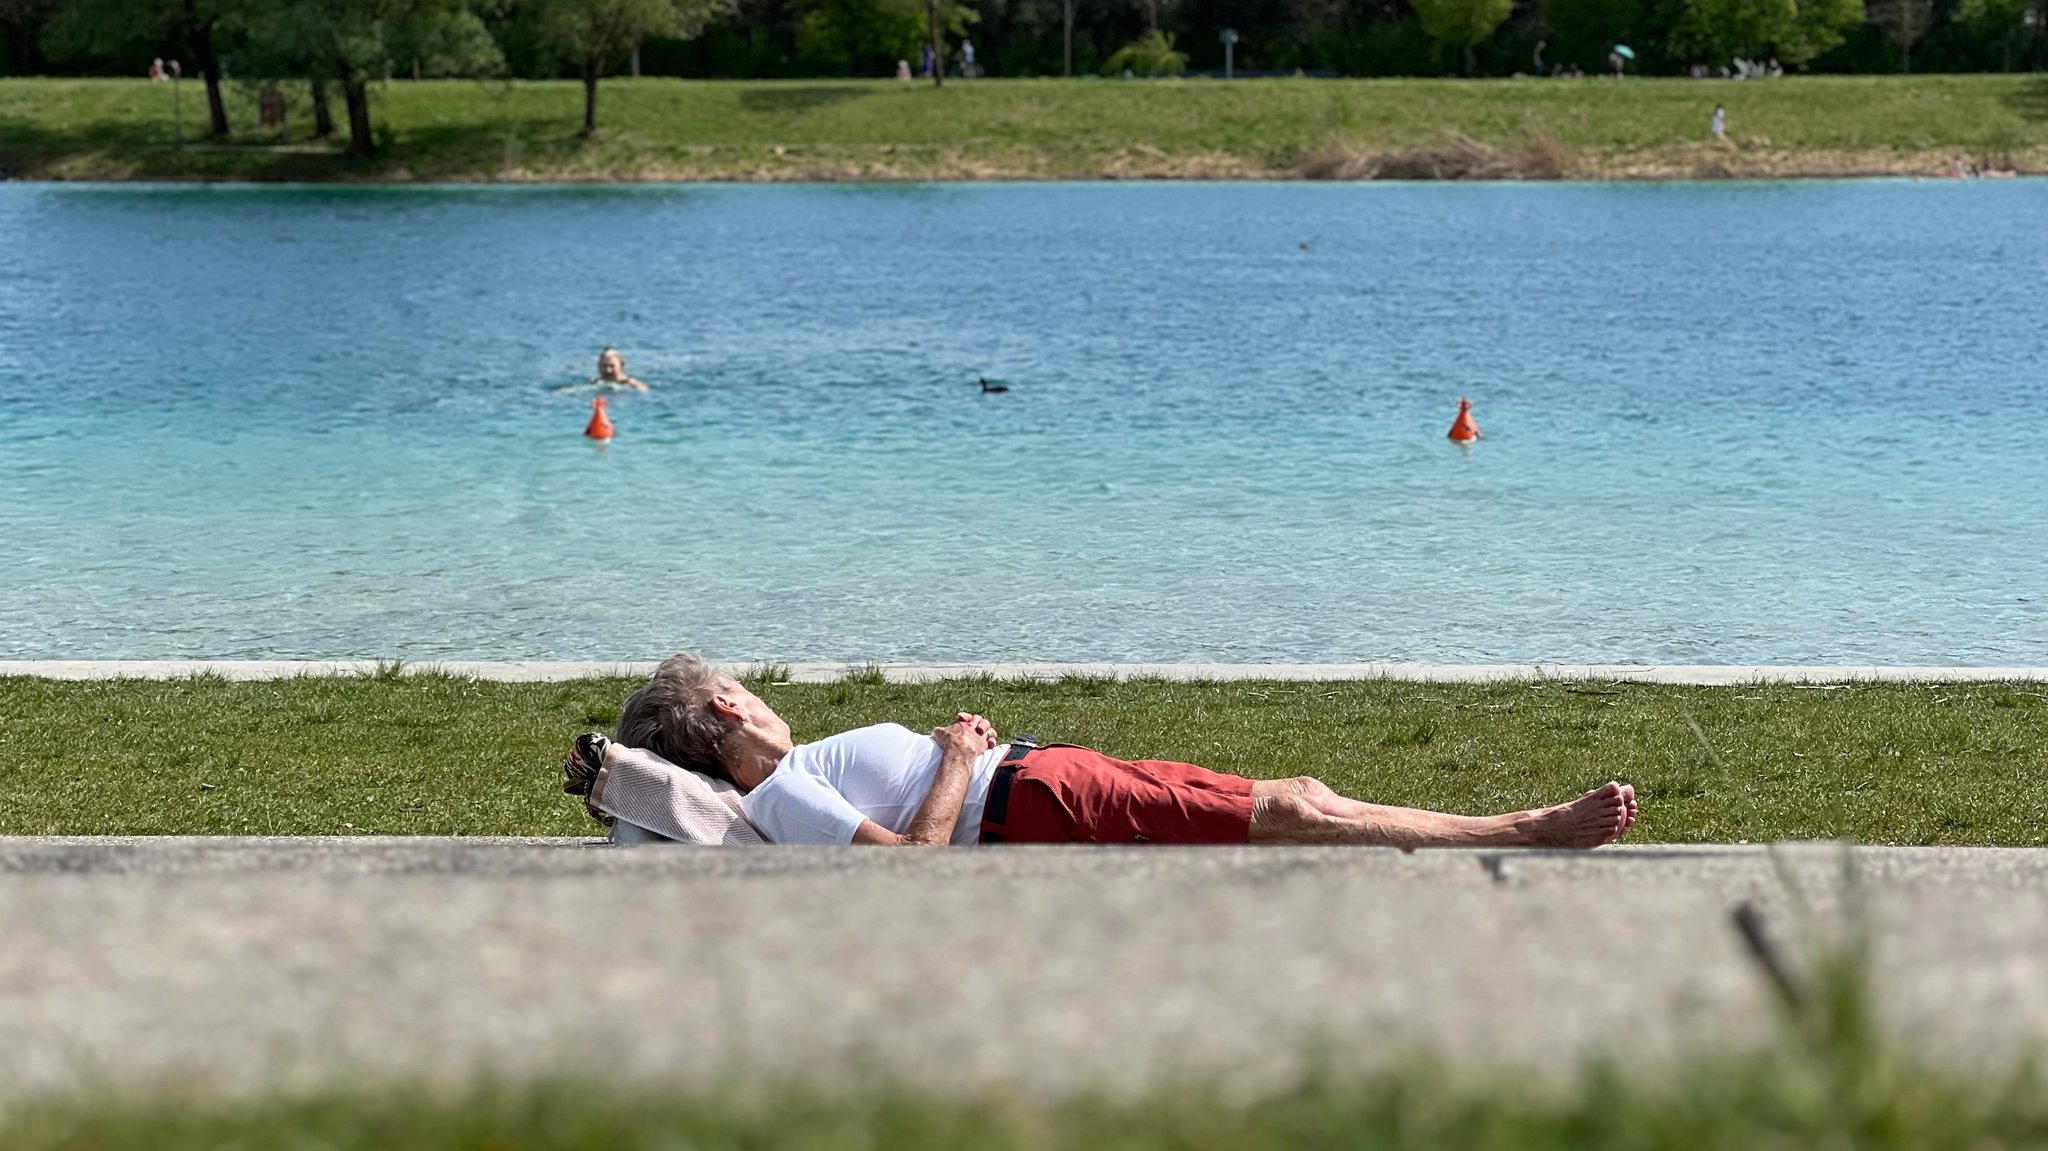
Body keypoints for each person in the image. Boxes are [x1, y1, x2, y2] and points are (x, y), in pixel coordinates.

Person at [597, 654, 1639, 849]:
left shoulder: (789, 779)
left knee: (1298, 797)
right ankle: (1524, 827)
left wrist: (951, 757)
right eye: (747, 684)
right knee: (1294, 813)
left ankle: (1502, 825)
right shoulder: (782, 791)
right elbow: (905, 867)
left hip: (1039, 783)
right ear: (727, 702)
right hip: (1030, 798)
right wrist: (958, 754)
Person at [559, 346, 647, 393]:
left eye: (612, 366)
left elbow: (643, 389)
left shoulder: (628, 382)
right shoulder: (596, 382)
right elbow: (581, 389)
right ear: (598, 367)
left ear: (621, 366)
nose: (608, 370)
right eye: (604, 366)